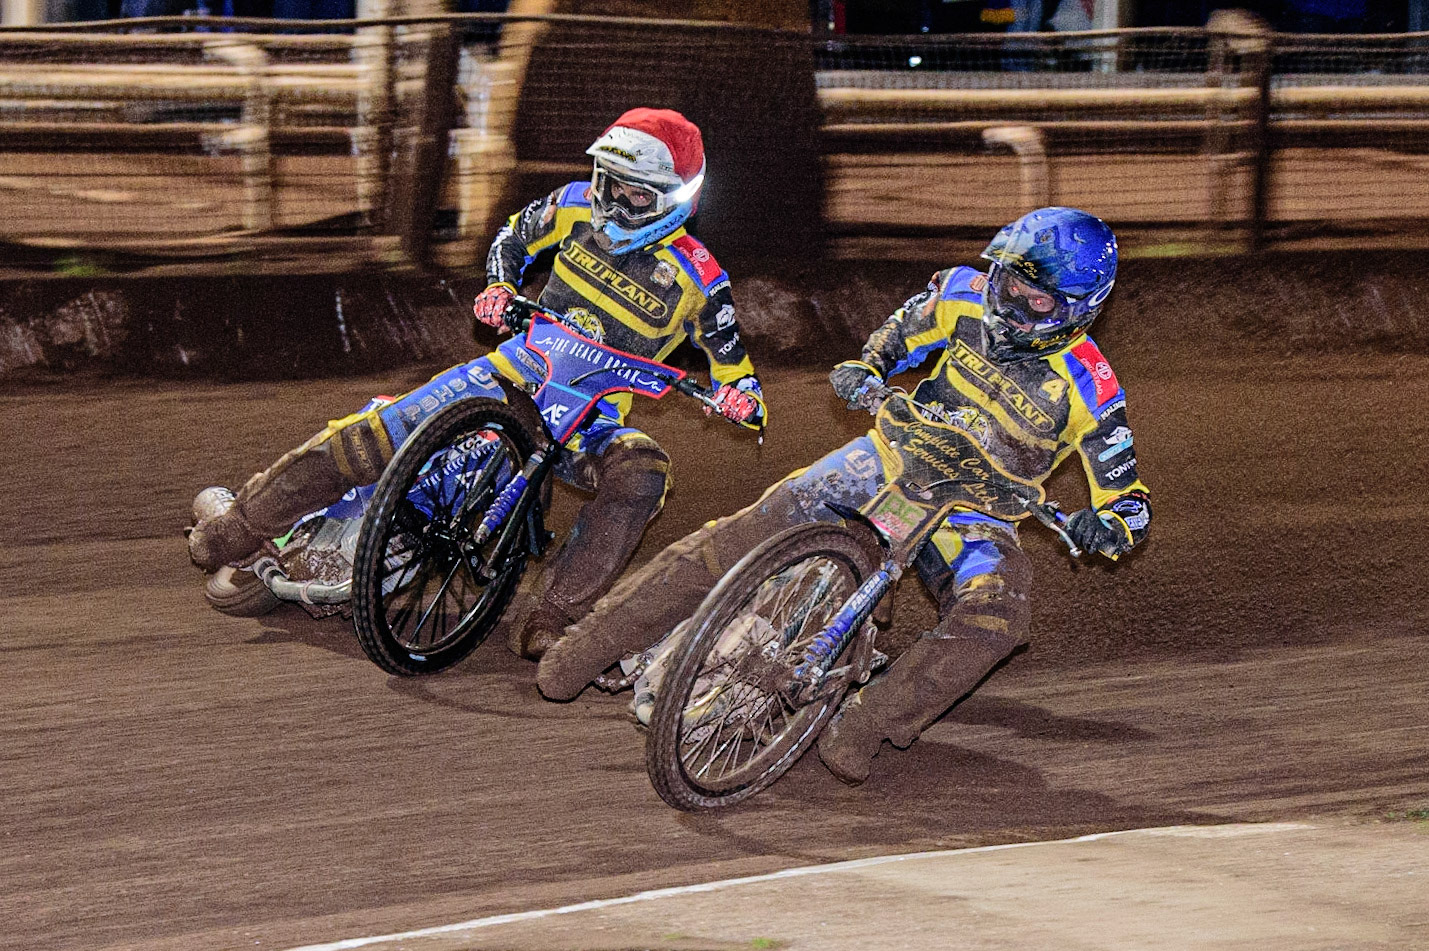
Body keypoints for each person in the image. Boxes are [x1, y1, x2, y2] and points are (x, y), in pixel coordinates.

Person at [538, 206, 1150, 785]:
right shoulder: (964, 292)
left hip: (975, 512)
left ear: (1075, 310)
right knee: (746, 532)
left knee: (998, 617)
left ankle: (867, 725)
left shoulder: (1092, 388)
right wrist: (870, 367)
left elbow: (1129, 500)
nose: (1013, 299)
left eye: (1035, 296)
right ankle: (585, 648)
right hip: (886, 456)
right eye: (1010, 280)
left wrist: (1110, 526)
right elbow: (902, 332)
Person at [188, 107, 766, 659]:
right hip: (509, 373)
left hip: (588, 420)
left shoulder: (700, 280)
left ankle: (553, 617)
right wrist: (497, 286)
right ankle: (238, 527)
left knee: (644, 472)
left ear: (674, 198)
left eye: (634, 192)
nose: (613, 200)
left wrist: (742, 398)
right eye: (609, 182)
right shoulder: (573, 203)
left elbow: (736, 370)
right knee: (377, 434)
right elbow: (513, 237)